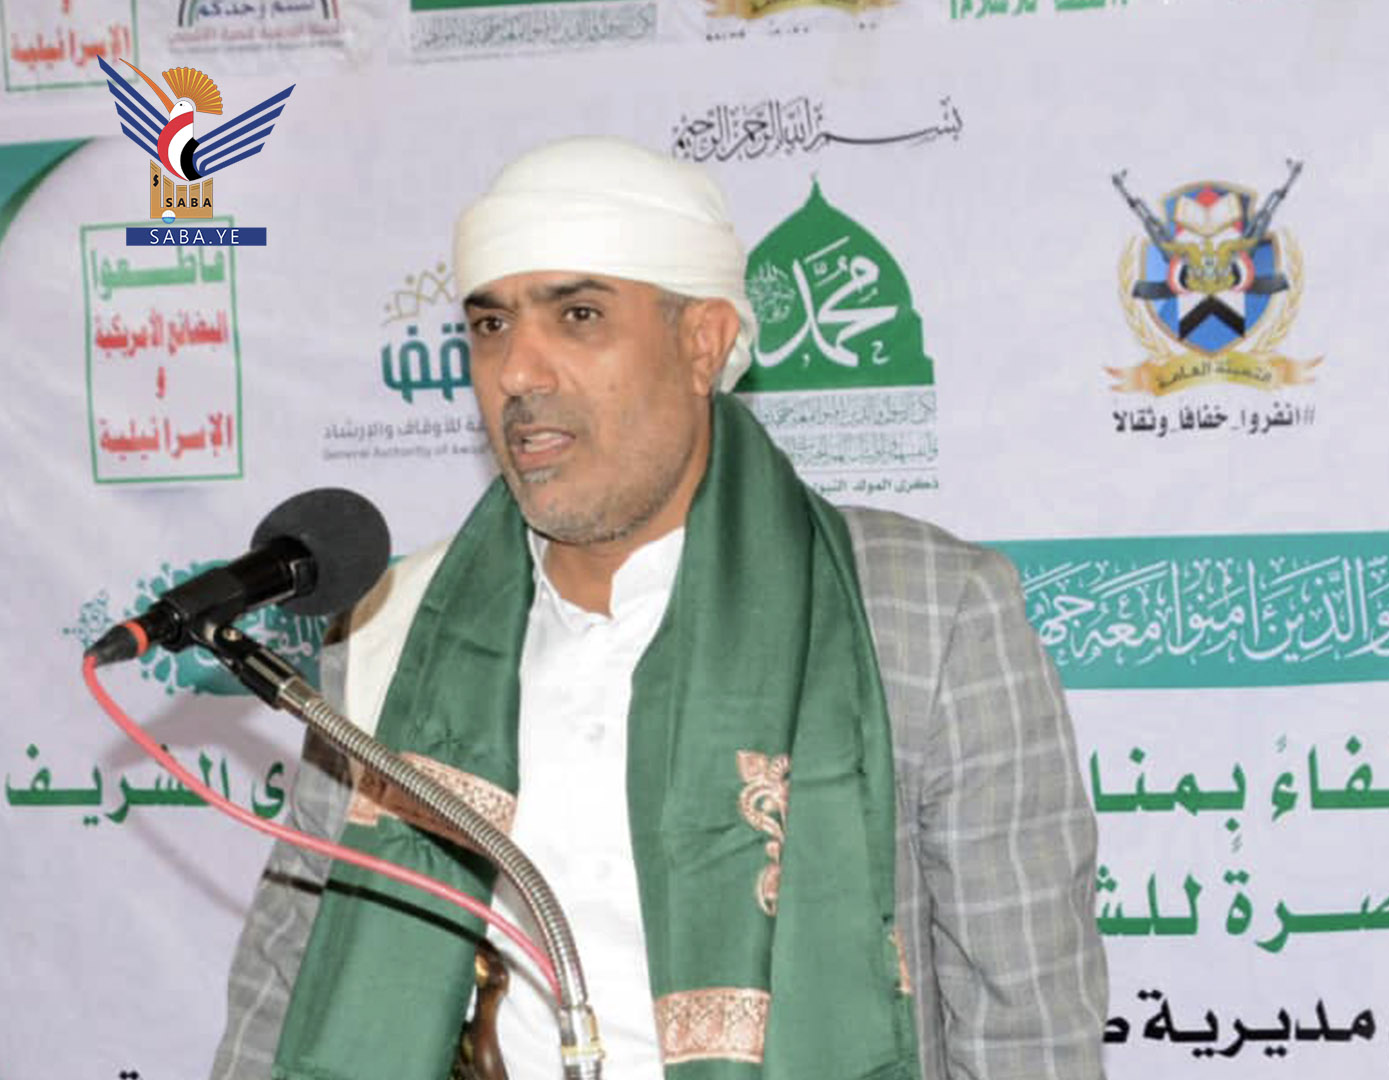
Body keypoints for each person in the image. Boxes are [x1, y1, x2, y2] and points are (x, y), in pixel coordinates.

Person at [210, 136, 1107, 1080]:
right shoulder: (396, 626)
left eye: (579, 315)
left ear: (702, 344)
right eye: (492, 325)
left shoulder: (928, 614)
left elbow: (1028, 1029)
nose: (518, 372)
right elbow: (286, 981)